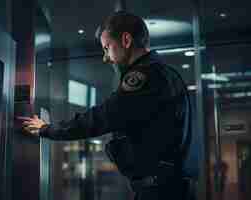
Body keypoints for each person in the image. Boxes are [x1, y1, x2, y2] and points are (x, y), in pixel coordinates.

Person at [19, 11, 191, 200]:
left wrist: (47, 129)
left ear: (126, 40)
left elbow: (102, 117)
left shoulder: (146, 76)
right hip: (167, 188)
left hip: (159, 192)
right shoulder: (168, 74)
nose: (105, 57)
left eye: (107, 47)